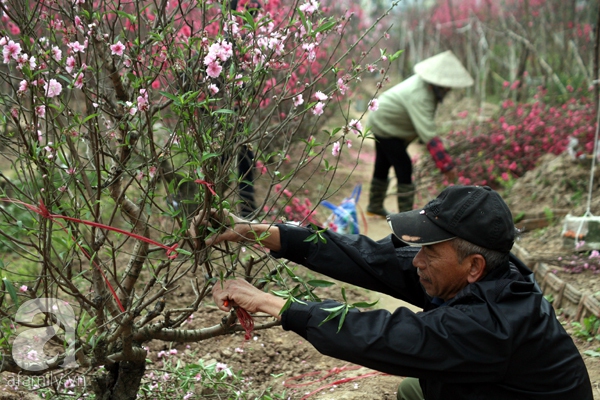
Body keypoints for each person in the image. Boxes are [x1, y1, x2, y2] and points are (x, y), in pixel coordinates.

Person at [201, 185, 593, 400]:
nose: (416, 261)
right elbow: (371, 257)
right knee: (414, 389)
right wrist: (259, 232)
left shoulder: (491, 325)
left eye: (430, 250)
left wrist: (274, 304)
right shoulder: (483, 271)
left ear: (472, 265)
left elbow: (388, 338)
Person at [366, 50, 473, 217]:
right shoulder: (420, 95)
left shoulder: (426, 88)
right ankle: (406, 217)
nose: (448, 90)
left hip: (384, 121)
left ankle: (374, 206)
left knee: (383, 164)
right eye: (446, 87)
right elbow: (428, 134)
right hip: (385, 124)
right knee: (404, 167)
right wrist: (446, 165)